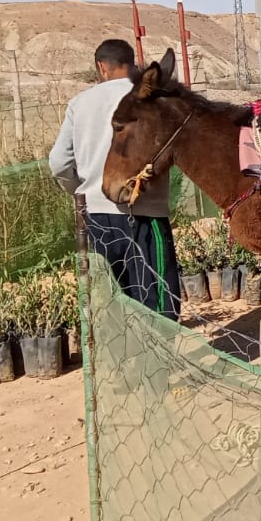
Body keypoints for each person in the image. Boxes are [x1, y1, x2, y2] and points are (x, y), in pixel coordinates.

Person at [49, 39, 182, 320]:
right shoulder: (151, 97)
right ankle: (160, 362)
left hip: (97, 217)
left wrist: (82, 192)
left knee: (113, 302)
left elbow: (59, 163)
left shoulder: (79, 103)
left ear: (101, 67)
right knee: (157, 301)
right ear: (132, 63)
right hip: (145, 213)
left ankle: (125, 362)